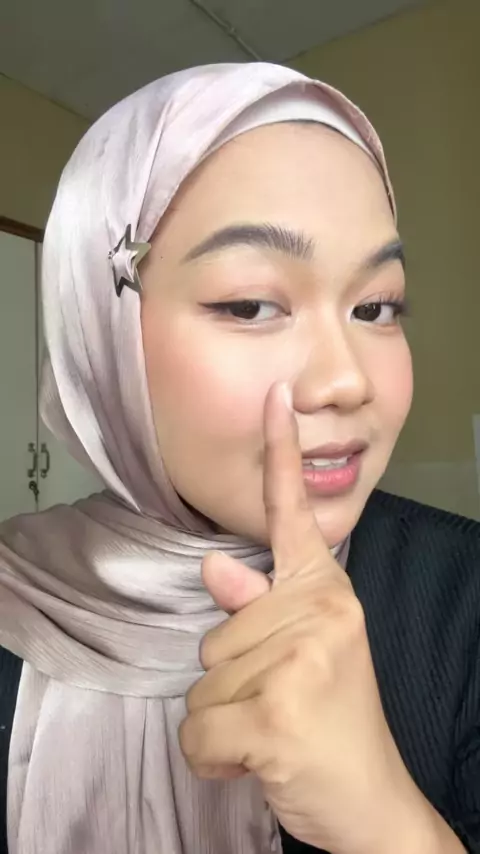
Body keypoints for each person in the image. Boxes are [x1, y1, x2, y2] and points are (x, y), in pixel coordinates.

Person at [0, 61, 478, 854]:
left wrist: (389, 822)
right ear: (99, 336)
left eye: (376, 306)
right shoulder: (18, 599)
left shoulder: (464, 605)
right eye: (251, 304)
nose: (346, 381)